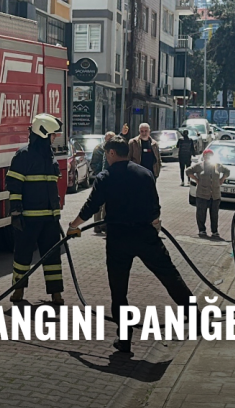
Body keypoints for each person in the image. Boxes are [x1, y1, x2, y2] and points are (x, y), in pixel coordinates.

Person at [68, 139, 193, 354]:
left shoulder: (105, 177)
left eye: (107, 154)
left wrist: (73, 226)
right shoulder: (145, 174)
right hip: (146, 235)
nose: (107, 158)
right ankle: (196, 318)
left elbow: (91, 206)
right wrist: (152, 223)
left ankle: (124, 339)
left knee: (119, 290)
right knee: (170, 277)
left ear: (113, 153)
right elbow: (155, 207)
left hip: (118, 238)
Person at [7, 113, 66, 305]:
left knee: (52, 258)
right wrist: (16, 212)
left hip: (49, 218)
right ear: (43, 133)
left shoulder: (50, 156)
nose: (55, 137)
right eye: (53, 134)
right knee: (22, 257)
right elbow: (14, 185)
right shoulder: (23, 155)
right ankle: (18, 291)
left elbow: (52, 187)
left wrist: (56, 213)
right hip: (28, 218)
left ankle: (56, 294)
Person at [186, 149, 230, 237]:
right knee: (201, 213)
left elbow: (227, 171)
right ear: (204, 157)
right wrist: (196, 179)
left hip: (215, 194)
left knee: (214, 214)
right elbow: (188, 171)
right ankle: (202, 230)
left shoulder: (217, 166)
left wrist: (222, 179)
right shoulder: (199, 166)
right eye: (206, 156)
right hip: (202, 194)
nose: (208, 157)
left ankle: (214, 231)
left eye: (210, 156)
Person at [88, 132, 116, 235]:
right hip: (100, 178)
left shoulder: (114, 150)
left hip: (111, 178)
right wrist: (99, 174)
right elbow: (93, 163)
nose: (109, 141)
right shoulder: (99, 149)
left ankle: (104, 224)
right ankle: (96, 225)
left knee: (107, 203)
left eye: (111, 139)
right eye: (108, 139)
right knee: (98, 202)